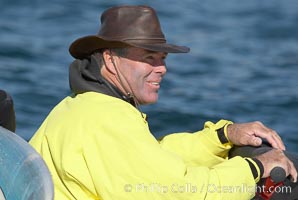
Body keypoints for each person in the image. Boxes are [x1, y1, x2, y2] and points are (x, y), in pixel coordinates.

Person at [29, 5, 297, 199]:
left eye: (163, 60)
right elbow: (183, 193)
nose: (162, 69)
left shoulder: (81, 105)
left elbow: (153, 157)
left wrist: (222, 136)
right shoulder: (106, 118)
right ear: (110, 59)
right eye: (148, 58)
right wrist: (256, 167)